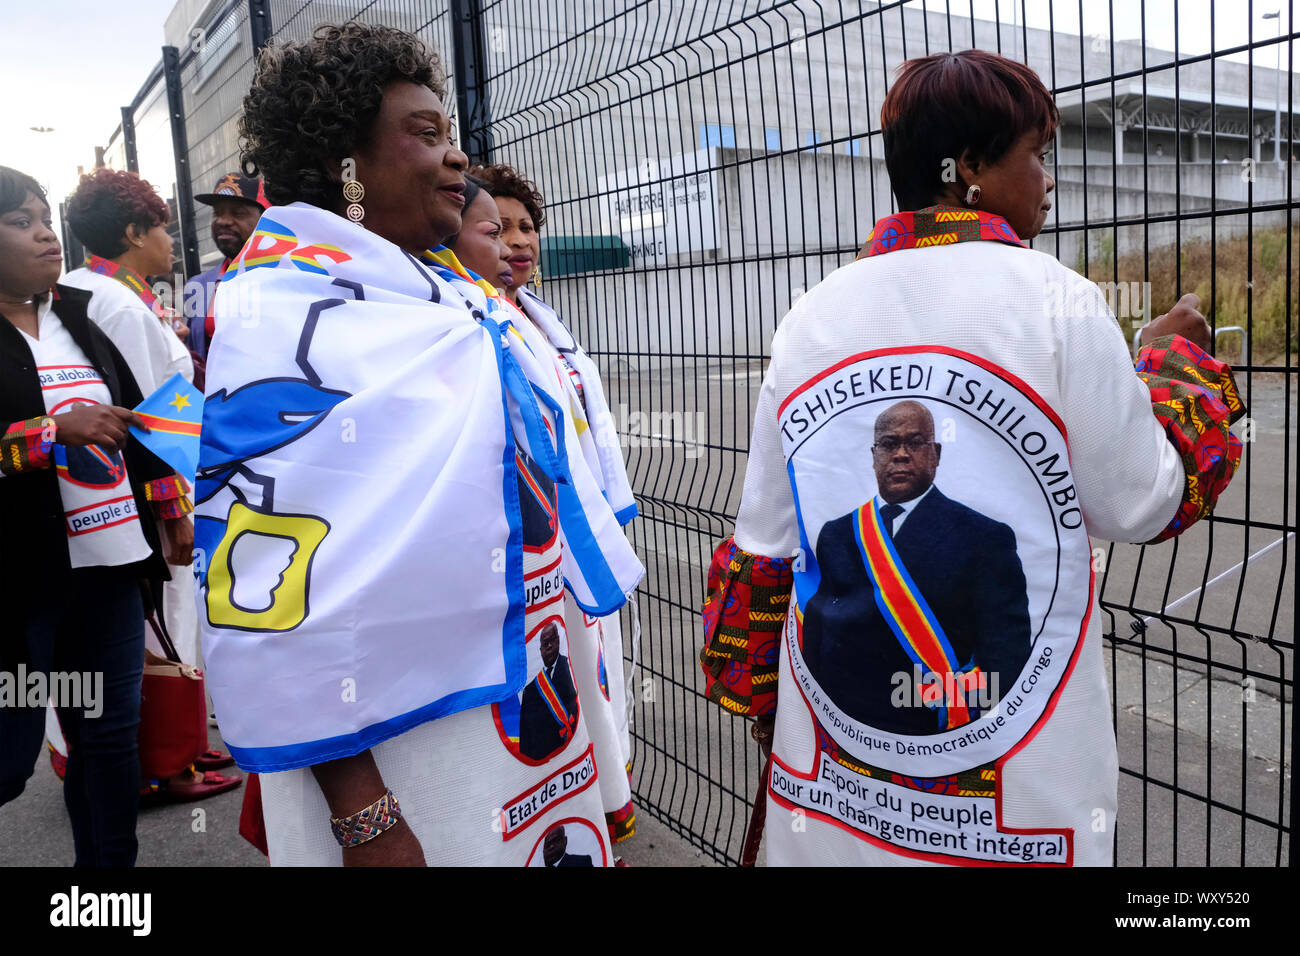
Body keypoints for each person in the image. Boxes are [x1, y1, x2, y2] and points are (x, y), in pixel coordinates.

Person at [700, 50, 1244, 867]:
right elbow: (1147, 500)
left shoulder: (810, 316)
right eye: (1038, 153)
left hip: (836, 780)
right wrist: (1172, 369)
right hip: (1007, 794)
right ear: (971, 170)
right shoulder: (1055, 298)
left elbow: (765, 552)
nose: (1050, 179)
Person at [198, 22, 641, 866]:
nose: (455, 162)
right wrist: (365, 817)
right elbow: (262, 598)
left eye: (454, 138)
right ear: (345, 166)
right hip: (399, 745)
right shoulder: (290, 319)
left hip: (520, 702)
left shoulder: (448, 296)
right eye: (427, 134)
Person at [0, 165, 194, 865]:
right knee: (9, 757)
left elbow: (150, 413)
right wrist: (51, 434)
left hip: (111, 570)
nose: (45, 234)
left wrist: (171, 505)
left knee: (109, 740)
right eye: (20, 222)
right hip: (26, 586)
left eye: (44, 217)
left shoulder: (81, 315)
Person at [468, 161, 642, 844]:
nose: (517, 241)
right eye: (497, 227)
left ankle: (604, 813)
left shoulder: (540, 319)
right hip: (536, 549)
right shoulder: (475, 322)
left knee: (600, 684)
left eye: (527, 226)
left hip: (585, 533)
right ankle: (572, 827)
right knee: (561, 686)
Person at [61, 170, 236, 798]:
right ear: (134, 233)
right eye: (161, 227)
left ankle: (176, 749)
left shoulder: (94, 289)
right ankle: (163, 765)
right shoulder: (118, 302)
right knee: (166, 614)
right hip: (152, 483)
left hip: (121, 487)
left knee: (149, 624)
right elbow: (147, 414)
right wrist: (171, 507)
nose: (171, 241)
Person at [800, 399, 1030, 734]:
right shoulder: (837, 533)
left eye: (915, 443)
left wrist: (965, 725)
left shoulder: (984, 537)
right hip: (844, 723)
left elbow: (1007, 655)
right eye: (890, 444)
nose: (901, 454)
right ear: (874, 455)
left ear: (936, 454)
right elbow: (818, 631)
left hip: (928, 726)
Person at [183, 172, 268, 367]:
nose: (223, 221)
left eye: (238, 213)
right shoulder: (197, 286)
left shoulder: (285, 276)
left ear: (264, 218)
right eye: (217, 213)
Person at [518, 623, 580, 760]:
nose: (549, 646)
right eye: (545, 644)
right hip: (539, 759)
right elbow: (525, 735)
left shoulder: (569, 666)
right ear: (540, 650)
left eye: (552, 641)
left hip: (568, 749)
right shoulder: (530, 689)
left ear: (558, 639)